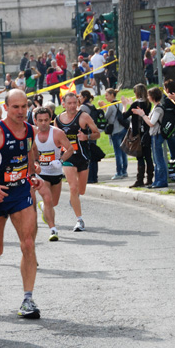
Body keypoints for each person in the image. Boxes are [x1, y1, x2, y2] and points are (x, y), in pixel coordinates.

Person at [0, 89, 43, 318]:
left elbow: (31, 152)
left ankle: (27, 300)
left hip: (20, 193)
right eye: (16, 107)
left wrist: (32, 171)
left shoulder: (30, 130)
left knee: (28, 244)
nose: (21, 111)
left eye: (24, 106)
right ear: (6, 107)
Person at [54, 92, 100, 231]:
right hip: (68, 156)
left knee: (81, 190)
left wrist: (86, 137)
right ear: (64, 104)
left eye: (75, 103)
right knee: (73, 188)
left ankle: (74, 200)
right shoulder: (58, 120)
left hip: (83, 156)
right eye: (70, 103)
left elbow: (97, 133)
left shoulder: (83, 116)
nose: (73, 106)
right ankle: (79, 220)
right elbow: (55, 139)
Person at [33, 107, 73, 241]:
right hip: (41, 174)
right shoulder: (31, 134)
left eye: (46, 120)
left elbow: (70, 149)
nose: (43, 123)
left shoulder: (57, 133)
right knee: (48, 199)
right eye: (40, 120)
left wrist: (60, 161)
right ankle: (53, 229)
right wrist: (35, 163)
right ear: (35, 121)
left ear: (50, 119)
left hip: (55, 173)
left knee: (53, 202)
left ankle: (44, 207)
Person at [132, 87, 167, 188]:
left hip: (156, 135)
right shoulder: (155, 107)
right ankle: (157, 180)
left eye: (149, 95)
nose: (147, 97)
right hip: (154, 135)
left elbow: (151, 123)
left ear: (152, 96)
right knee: (156, 159)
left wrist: (143, 115)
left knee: (158, 159)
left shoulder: (158, 108)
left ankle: (162, 181)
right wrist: (142, 114)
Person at [121, 84, 153, 187]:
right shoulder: (148, 103)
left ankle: (139, 180)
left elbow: (124, 116)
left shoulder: (136, 104)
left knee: (140, 157)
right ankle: (149, 179)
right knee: (148, 156)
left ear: (136, 93)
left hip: (137, 133)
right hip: (147, 132)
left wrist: (125, 105)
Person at [99, 89, 128, 179]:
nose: (106, 97)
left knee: (118, 153)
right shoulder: (120, 103)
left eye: (107, 95)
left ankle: (119, 172)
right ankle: (124, 171)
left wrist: (104, 108)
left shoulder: (111, 106)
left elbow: (106, 117)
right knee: (124, 152)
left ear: (112, 95)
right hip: (123, 129)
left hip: (115, 131)